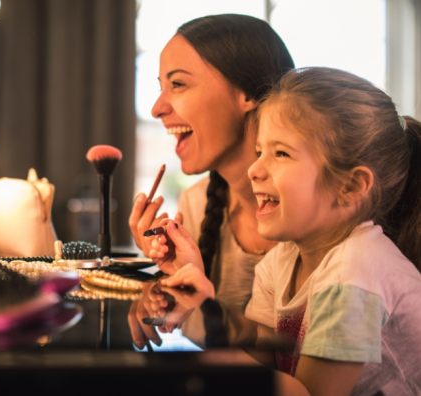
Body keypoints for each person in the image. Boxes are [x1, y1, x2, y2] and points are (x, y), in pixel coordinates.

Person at [150, 67, 421, 395]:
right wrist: (203, 304)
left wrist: (217, 346)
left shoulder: (357, 276)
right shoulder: (281, 261)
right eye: (260, 151)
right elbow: (265, 353)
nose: (254, 169)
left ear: (350, 186)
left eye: (281, 153)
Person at [128, 14, 294, 348]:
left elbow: (296, 365)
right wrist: (165, 284)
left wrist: (200, 304)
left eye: (178, 84)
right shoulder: (196, 205)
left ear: (247, 93)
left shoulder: (311, 211)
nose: (157, 107)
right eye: (161, 87)